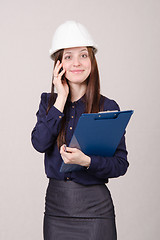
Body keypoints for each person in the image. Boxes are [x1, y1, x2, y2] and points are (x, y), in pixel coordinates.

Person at [31, 20, 129, 240]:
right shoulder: (48, 103)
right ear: (58, 64)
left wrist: (87, 162)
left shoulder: (107, 107)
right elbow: (39, 143)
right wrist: (61, 98)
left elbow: (120, 164)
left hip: (96, 211)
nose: (77, 63)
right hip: (57, 210)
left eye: (83, 55)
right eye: (68, 56)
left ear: (92, 61)